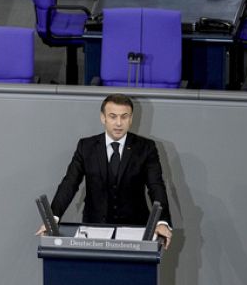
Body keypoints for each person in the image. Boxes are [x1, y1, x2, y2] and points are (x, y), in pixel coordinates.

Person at [38, 94, 173, 248]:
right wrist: (52, 218)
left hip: (135, 230)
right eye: (113, 116)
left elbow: (156, 186)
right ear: (103, 118)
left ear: (131, 119)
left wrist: (163, 222)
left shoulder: (146, 148)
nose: (118, 123)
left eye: (124, 117)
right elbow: (70, 183)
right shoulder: (86, 146)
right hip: (94, 229)